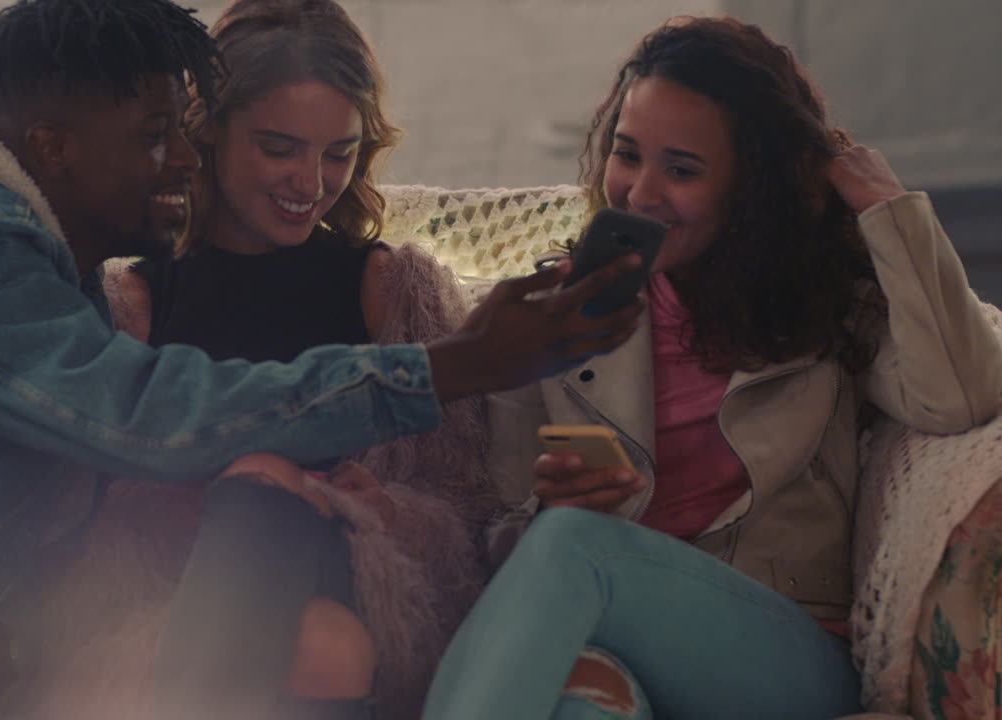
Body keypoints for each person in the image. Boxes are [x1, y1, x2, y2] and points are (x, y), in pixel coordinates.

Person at [0, 0, 642, 716]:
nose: (178, 161)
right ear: (56, 147)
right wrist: (450, 366)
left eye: (180, 133)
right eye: (156, 137)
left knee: (286, 556)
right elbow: (149, 418)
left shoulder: (47, 260)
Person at [422, 15, 1002, 720]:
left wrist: (891, 211)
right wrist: (550, 507)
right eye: (627, 154)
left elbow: (960, 397)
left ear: (749, 187)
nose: (640, 191)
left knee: (576, 546)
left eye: (683, 169)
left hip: (779, 649)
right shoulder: (551, 316)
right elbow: (503, 536)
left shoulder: (823, 304)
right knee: (580, 702)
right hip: (615, 638)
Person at [28, 3, 499, 718]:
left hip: (365, 586)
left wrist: (379, 511)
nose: (311, 183)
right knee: (322, 645)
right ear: (207, 131)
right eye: (280, 147)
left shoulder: (393, 291)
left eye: (338, 153)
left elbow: (463, 506)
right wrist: (203, 502)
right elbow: (70, 516)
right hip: (175, 600)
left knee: (286, 529)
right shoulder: (131, 303)